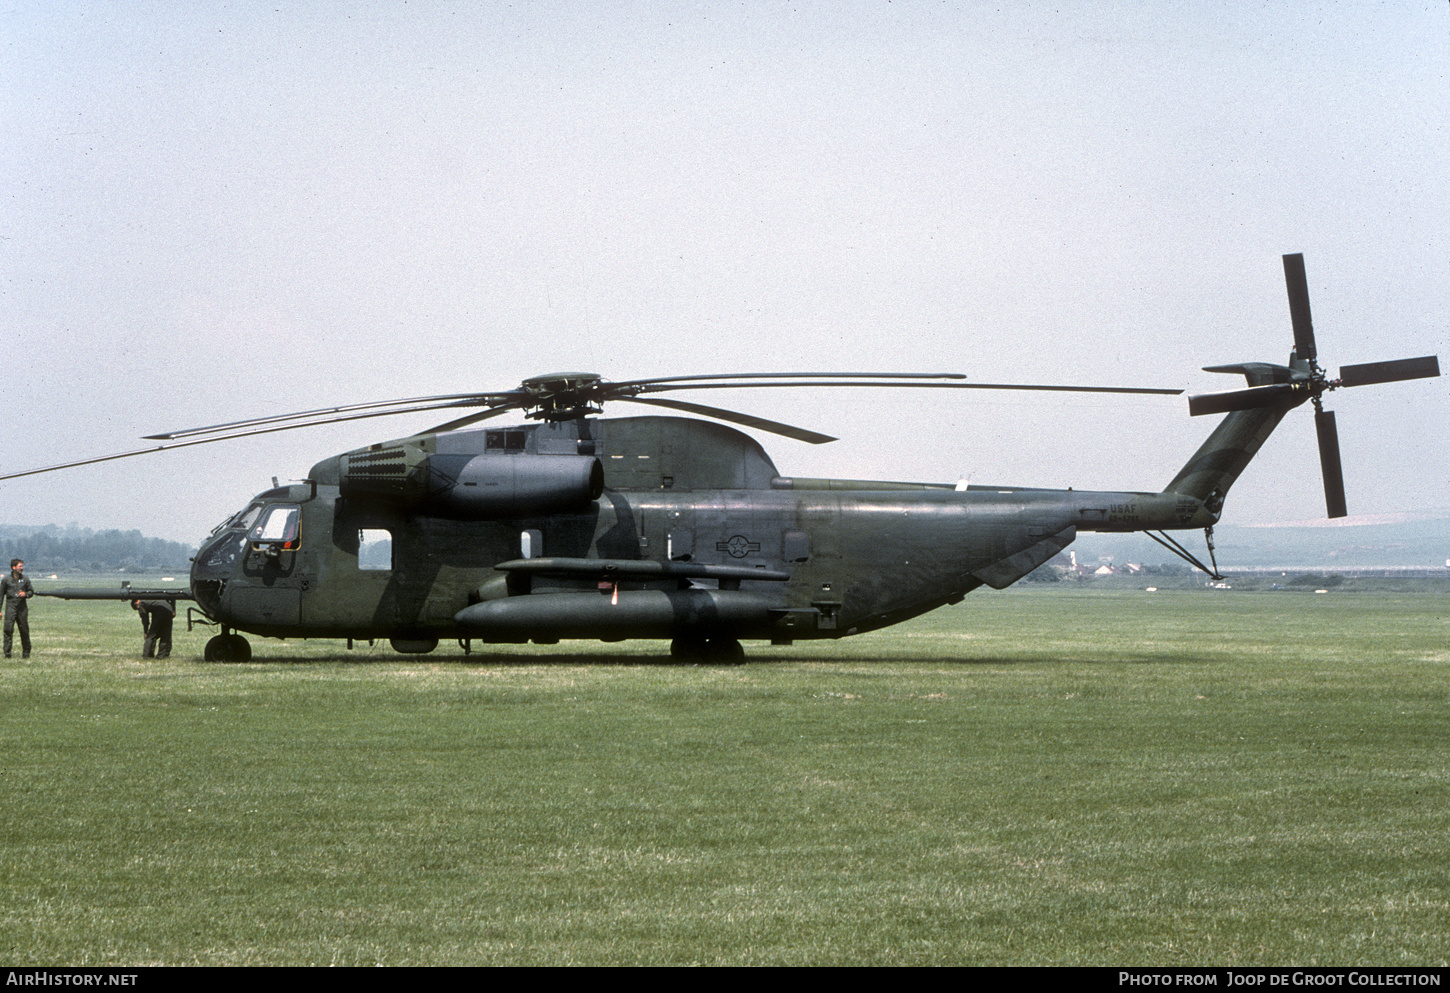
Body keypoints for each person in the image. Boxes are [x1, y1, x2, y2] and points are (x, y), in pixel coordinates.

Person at [2, 558, 34, 659]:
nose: (22, 568)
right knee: (8, 630)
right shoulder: (6, 580)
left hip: (22, 608)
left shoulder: (25, 579)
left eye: (22, 566)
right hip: (10, 607)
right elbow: (1, 595)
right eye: (20, 566)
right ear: (13, 567)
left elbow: (31, 591)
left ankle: (26, 653)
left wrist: (26, 594)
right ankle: (7, 654)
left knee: (24, 630)